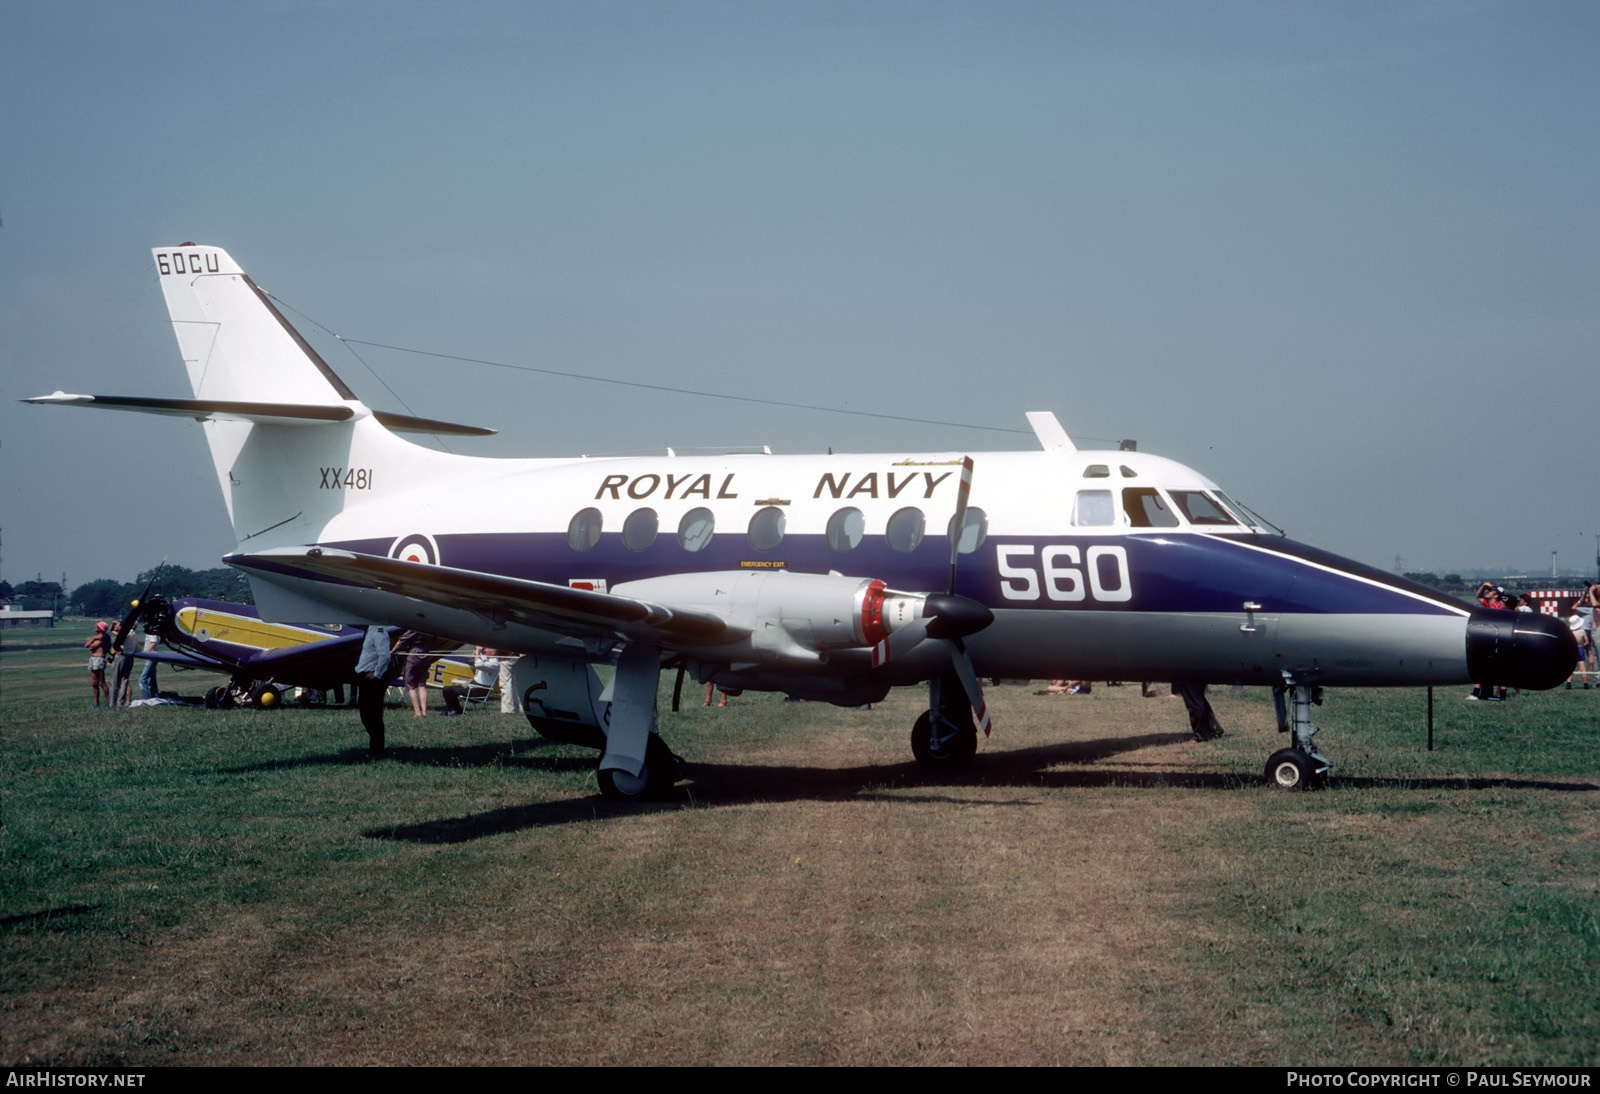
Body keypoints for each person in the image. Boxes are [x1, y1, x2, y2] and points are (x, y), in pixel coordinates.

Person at [355, 625, 393, 754]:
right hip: (366, 677)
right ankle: (375, 746)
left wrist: (376, 674)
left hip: (373, 679)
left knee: (373, 713)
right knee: (366, 713)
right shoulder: (370, 630)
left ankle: (377, 748)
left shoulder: (378, 631)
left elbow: (385, 655)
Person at [391, 629, 437, 718]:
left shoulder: (415, 627)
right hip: (425, 653)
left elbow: (402, 640)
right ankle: (424, 712)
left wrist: (392, 650)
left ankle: (417, 712)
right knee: (422, 684)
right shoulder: (428, 626)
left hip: (414, 654)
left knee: (410, 685)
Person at [442, 646, 499, 714]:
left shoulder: (494, 664)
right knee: (455, 687)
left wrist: (478, 652)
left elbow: (477, 664)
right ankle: (456, 710)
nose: (485, 650)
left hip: (479, 691)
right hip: (474, 684)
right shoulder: (487, 659)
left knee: (447, 689)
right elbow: (478, 656)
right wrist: (477, 650)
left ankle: (453, 710)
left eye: (487, 648)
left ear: (493, 652)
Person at [84, 621, 111, 705]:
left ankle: (108, 701)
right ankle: (96, 702)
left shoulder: (103, 638)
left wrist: (94, 640)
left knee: (101, 682)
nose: (95, 627)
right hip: (93, 658)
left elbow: (92, 646)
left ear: (100, 628)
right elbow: (87, 645)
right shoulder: (97, 638)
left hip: (99, 659)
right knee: (94, 683)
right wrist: (93, 638)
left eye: (96, 626)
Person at [139, 633, 160, 700]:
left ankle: (145, 699)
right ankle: (155, 697)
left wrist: (146, 653)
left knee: (142, 680)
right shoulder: (154, 632)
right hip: (154, 657)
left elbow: (153, 643)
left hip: (150, 657)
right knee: (152, 680)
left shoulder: (151, 632)